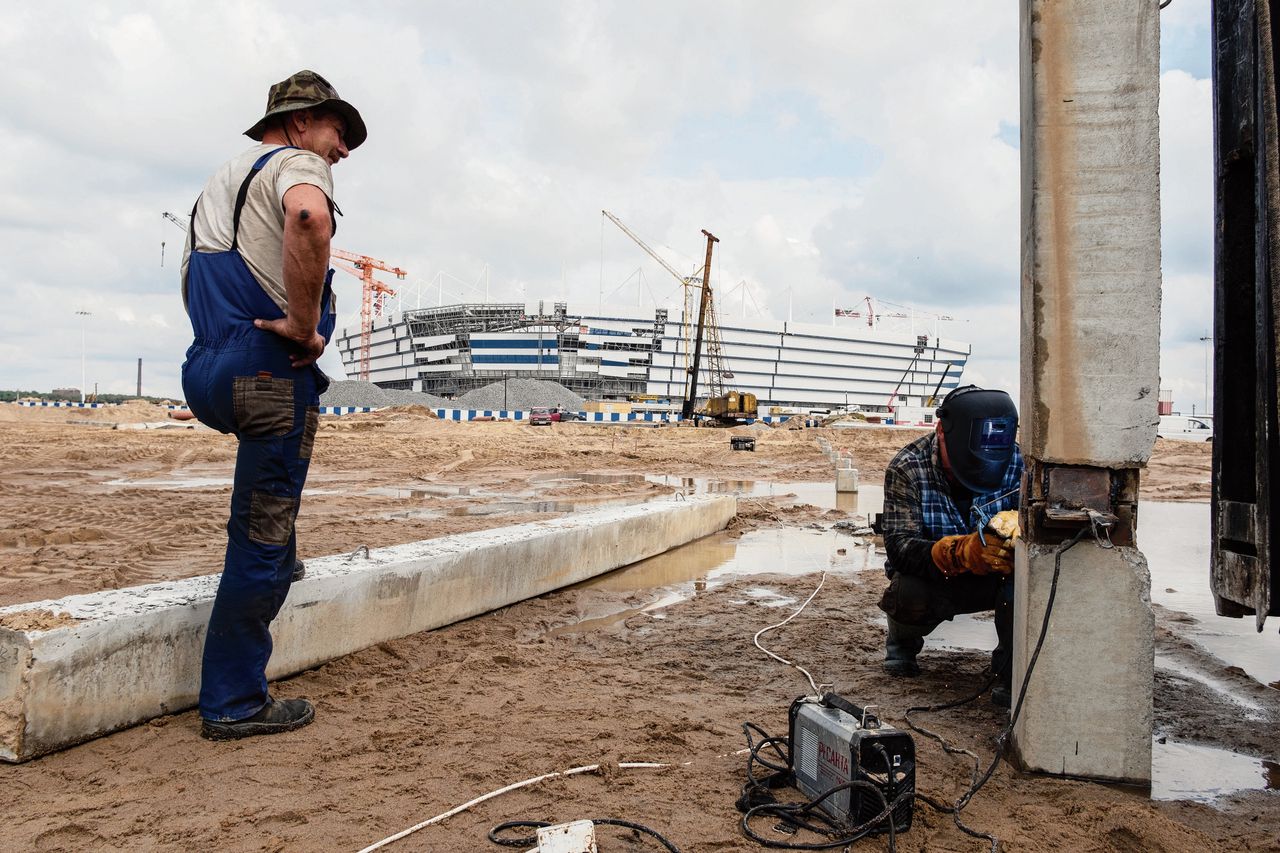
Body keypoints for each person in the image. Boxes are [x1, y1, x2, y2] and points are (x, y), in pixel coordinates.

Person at [180, 70, 367, 740]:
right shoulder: (297, 164)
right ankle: (234, 700)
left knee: (271, 527)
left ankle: (282, 555)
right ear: (298, 121)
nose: (341, 149)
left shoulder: (220, 182)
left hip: (205, 370)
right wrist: (304, 322)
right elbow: (310, 217)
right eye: (337, 132)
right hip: (266, 375)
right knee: (260, 534)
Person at [878, 385, 1023, 707]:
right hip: (936, 577)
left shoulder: (1021, 464)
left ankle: (1009, 671)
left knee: (1025, 588)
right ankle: (902, 645)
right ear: (941, 429)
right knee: (907, 589)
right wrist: (959, 552)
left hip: (998, 577)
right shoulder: (907, 467)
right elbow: (899, 548)